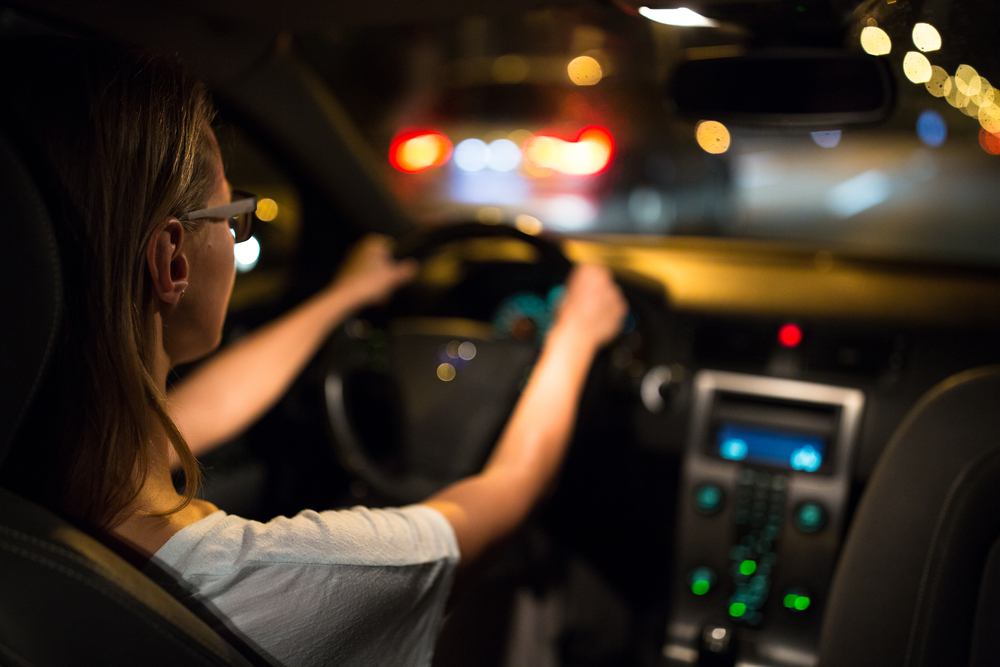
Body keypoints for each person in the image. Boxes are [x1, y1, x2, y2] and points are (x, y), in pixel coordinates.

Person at [0, 37, 627, 666]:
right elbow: (509, 490)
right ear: (172, 260)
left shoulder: (37, 492)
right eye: (233, 214)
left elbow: (200, 411)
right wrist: (575, 338)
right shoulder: (286, 581)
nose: (237, 230)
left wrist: (344, 297)